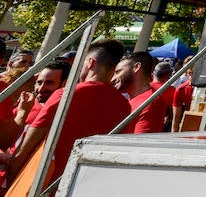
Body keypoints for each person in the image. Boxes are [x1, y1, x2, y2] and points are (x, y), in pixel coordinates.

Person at [3, 39, 129, 190]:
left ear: (90, 63)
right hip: (87, 187)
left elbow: (23, 151)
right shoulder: (124, 106)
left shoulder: (65, 95)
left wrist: (11, 187)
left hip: (46, 186)